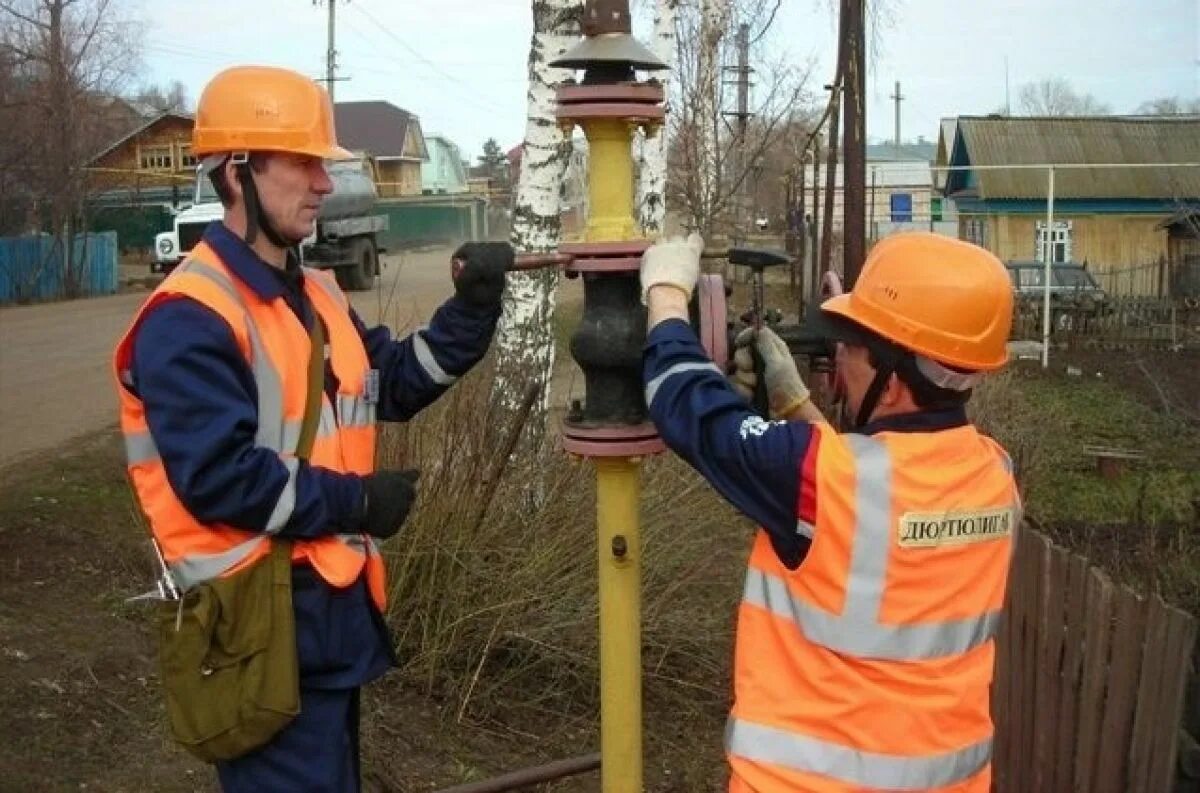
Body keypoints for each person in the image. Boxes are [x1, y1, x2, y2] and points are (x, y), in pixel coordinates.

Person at [112, 65, 511, 792]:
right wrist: (359, 502)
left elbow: (389, 381)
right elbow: (221, 477)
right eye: (303, 162)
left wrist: (472, 310)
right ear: (237, 172)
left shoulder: (313, 292)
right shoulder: (187, 317)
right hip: (255, 635)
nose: (324, 184)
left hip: (323, 626)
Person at [639, 231, 1021, 792]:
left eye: (853, 345)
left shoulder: (821, 478)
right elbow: (879, 500)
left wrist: (667, 296)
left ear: (893, 383)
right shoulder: (996, 475)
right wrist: (796, 405)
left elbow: (690, 411)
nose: (838, 355)